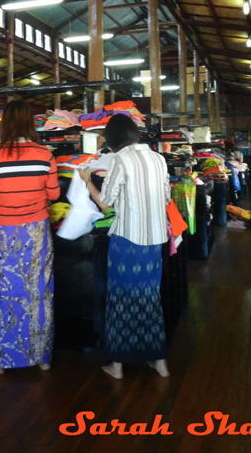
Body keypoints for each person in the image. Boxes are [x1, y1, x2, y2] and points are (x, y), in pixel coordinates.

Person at [79, 113, 171, 380]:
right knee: (149, 298)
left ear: (112, 139)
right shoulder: (158, 158)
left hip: (128, 240)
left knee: (121, 299)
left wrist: (87, 180)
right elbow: (165, 197)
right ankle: (159, 361)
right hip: (154, 241)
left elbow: (106, 203)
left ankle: (117, 365)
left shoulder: (120, 159)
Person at [0, 100, 60, 374]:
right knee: (39, 290)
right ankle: (43, 358)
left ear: (4, 123)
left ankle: (3, 361)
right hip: (36, 230)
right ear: (31, 122)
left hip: (6, 232)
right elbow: (53, 195)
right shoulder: (44, 155)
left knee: (6, 291)